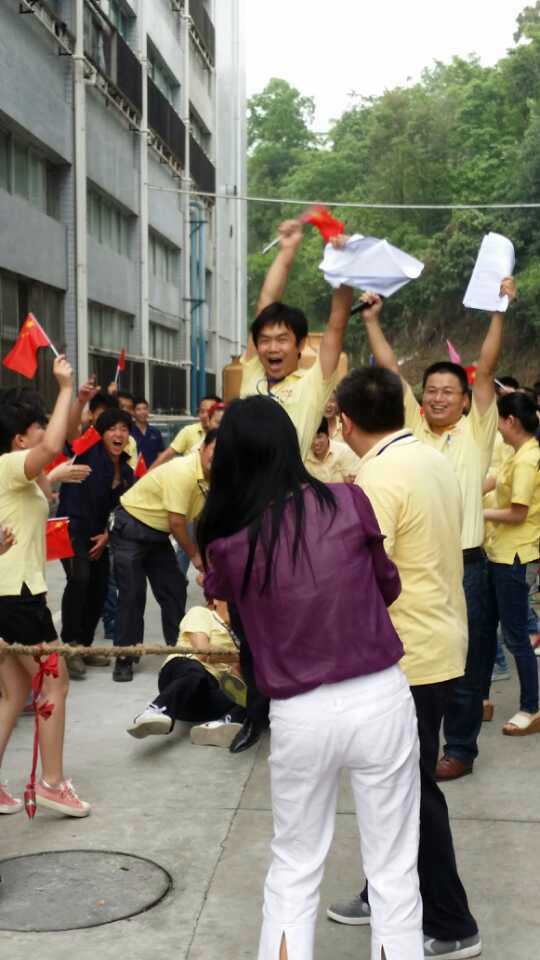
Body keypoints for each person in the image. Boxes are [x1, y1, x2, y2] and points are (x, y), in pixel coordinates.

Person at [198, 396, 423, 960]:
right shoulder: (348, 501)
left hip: (299, 711)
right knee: (394, 867)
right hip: (378, 694)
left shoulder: (227, 544)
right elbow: (388, 586)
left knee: (295, 865)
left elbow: (227, 606)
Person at [330, 366, 480, 960]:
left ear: (344, 421)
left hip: (406, 653)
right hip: (439, 638)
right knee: (394, 784)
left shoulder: (378, 478)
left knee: (410, 791)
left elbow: (364, 572)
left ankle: (452, 923)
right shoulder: (430, 457)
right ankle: (383, 891)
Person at [358, 280, 517, 781]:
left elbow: (486, 367)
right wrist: (372, 321)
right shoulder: (412, 430)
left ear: (467, 400)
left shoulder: (476, 432)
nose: (438, 398)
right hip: (415, 565)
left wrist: (498, 311)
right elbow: (390, 369)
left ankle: (461, 749)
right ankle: (412, 739)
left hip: (469, 565)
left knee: (468, 661)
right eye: (431, 391)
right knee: (413, 658)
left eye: (449, 391)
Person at [231, 219, 354, 754]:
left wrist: (343, 269)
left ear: (301, 346)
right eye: (265, 339)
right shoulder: (252, 378)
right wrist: (287, 251)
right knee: (247, 624)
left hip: (290, 519)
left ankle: (305, 710)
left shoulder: (311, 386)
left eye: (284, 339)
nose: (273, 345)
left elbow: (338, 321)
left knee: (297, 618)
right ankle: (256, 714)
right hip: (242, 518)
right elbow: (265, 302)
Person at [0, 357, 90, 817]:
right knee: (55, 686)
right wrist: (64, 385)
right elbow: (54, 444)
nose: (45, 434)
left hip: (10, 594)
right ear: (20, 440)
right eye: (37, 427)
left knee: (14, 693)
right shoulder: (10, 464)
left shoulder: (19, 473)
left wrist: (52, 476)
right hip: (16, 597)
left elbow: (59, 443)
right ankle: (52, 783)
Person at [110, 430, 217, 682]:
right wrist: (195, 556)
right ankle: (125, 656)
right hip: (131, 526)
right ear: (203, 447)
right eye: (216, 450)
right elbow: (177, 522)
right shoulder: (184, 471)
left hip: (158, 533)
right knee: (132, 594)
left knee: (174, 588)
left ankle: (178, 650)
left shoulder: (215, 478)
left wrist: (206, 556)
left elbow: (200, 520)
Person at [58, 408, 134, 680]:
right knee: (79, 579)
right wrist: (77, 400)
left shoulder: (127, 471)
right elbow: (70, 434)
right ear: (101, 434)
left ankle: (85, 645)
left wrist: (107, 536)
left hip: (99, 537)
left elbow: (122, 510)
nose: (118, 434)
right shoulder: (87, 455)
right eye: (112, 429)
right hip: (71, 530)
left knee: (99, 588)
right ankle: (70, 647)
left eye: (123, 429)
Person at [483, 392, 540, 734]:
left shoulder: (527, 459)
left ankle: (532, 707)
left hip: (515, 556)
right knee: (487, 628)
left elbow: (518, 513)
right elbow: (492, 482)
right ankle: (480, 698)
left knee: (516, 636)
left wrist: (479, 513)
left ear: (511, 421)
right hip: (499, 551)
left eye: (499, 422)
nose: (498, 429)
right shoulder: (515, 453)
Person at [127, 600, 246, 747]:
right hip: (180, 672)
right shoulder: (202, 613)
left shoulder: (242, 636)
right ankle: (157, 710)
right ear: (215, 599)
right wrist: (241, 657)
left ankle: (221, 725)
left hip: (202, 699)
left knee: (256, 693)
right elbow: (202, 651)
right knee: (195, 672)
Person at [150, 395, 222, 470]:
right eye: (202, 411)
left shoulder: (225, 434)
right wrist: (149, 473)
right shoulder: (189, 431)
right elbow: (168, 454)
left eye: (209, 411)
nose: (205, 415)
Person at [305, 417, 359, 483]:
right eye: (311, 438)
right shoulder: (304, 457)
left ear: (327, 434)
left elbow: (353, 484)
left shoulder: (344, 451)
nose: (316, 442)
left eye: (319, 437)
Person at [131, 397, 165, 468]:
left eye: (145, 409)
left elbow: (160, 454)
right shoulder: (129, 432)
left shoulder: (155, 432)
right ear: (133, 412)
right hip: (134, 472)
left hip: (153, 471)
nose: (142, 412)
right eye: (138, 409)